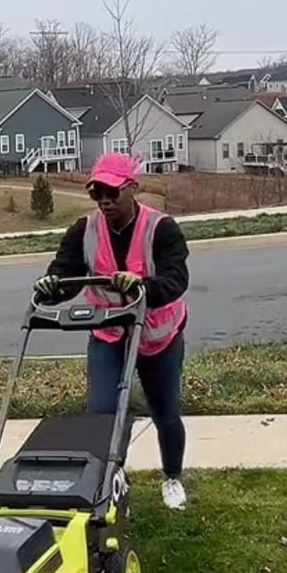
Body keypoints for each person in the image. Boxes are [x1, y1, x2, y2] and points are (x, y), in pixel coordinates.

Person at [31, 152, 190, 509]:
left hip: (157, 337)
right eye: (96, 193)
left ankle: (172, 478)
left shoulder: (161, 228)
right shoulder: (83, 230)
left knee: (165, 411)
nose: (104, 200)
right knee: (103, 412)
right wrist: (52, 286)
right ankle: (111, 480)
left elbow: (176, 280)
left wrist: (143, 286)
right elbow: (66, 271)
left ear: (132, 188)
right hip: (108, 333)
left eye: (112, 192)